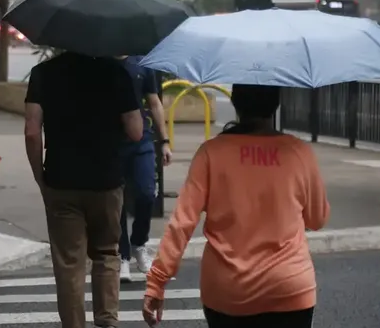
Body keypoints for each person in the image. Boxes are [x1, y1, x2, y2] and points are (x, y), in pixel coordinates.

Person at [142, 84, 330, 328]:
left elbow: (182, 223)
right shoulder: (299, 152)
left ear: (236, 104)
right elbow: (317, 220)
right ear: (276, 104)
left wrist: (157, 282)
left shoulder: (211, 153)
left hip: (227, 290)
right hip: (289, 286)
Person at [23, 52, 143, 328]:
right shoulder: (116, 72)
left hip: (61, 180)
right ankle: (107, 320)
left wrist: (40, 177)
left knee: (69, 264)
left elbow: (32, 131)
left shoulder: (44, 73)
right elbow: (136, 131)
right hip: (107, 181)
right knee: (106, 253)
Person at [116, 55, 173, 281]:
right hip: (112, 143)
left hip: (142, 141)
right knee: (116, 200)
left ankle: (139, 243)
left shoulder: (142, 65)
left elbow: (154, 102)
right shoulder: (103, 64)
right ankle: (122, 255)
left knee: (147, 193)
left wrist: (165, 141)